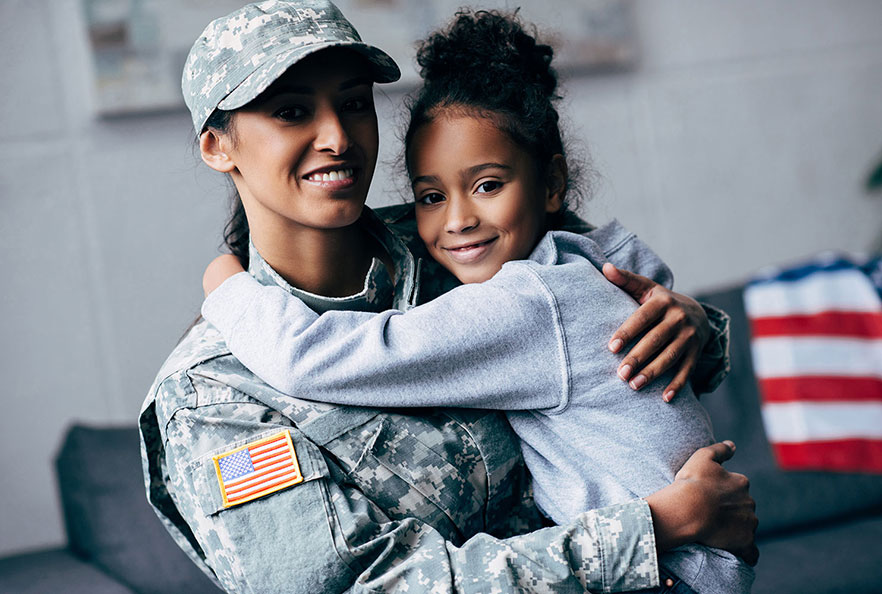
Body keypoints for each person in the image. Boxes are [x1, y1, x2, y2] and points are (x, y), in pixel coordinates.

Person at [139, 1, 757, 593]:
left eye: (354, 103)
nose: (337, 136)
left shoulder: (454, 241)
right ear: (218, 145)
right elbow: (361, 587)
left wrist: (694, 325)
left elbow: (616, 340)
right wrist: (648, 530)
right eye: (291, 112)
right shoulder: (214, 393)